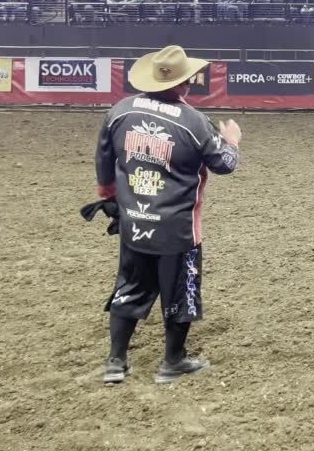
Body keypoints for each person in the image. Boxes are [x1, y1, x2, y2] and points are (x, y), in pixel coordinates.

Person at [94, 45, 242, 385]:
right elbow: (224, 164)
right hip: (178, 226)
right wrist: (232, 141)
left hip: (135, 218)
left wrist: (111, 197)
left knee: (129, 284)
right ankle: (173, 361)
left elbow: (104, 161)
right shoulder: (194, 122)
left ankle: (116, 361)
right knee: (181, 290)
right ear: (183, 82)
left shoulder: (119, 111)